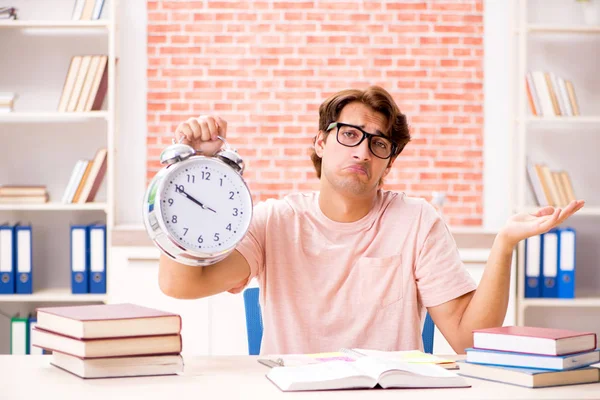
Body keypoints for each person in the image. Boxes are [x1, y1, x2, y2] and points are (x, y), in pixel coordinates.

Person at [158, 86, 584, 355]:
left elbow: (469, 341)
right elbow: (180, 284)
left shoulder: (418, 221)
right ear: (321, 142)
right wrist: (190, 170)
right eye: (349, 134)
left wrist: (505, 243)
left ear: (388, 164)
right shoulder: (274, 220)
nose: (362, 151)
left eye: (379, 144)